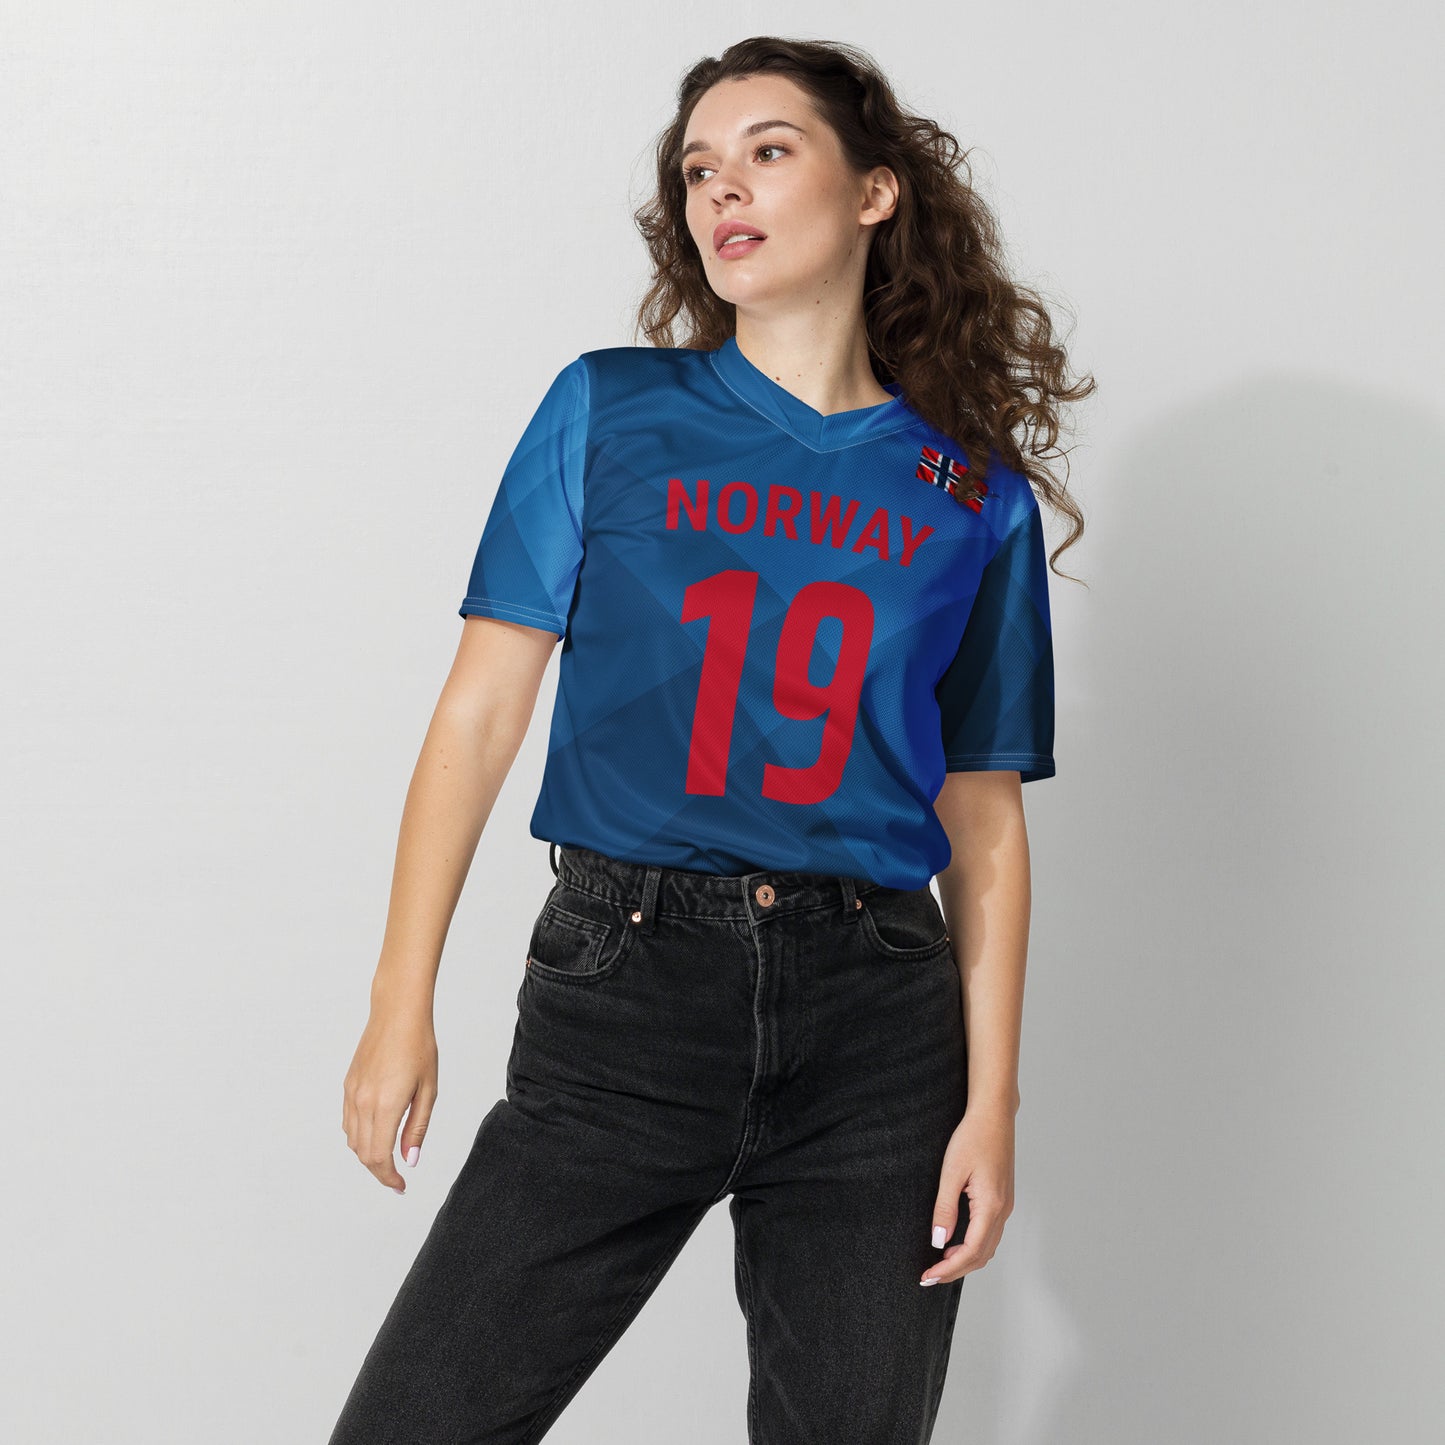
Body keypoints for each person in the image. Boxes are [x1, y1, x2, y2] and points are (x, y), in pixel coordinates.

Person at [328, 34, 1091, 1445]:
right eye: (696, 169)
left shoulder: (966, 493)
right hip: (627, 985)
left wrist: (990, 1101)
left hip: (877, 1022)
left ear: (874, 192)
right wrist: (399, 995)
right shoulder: (610, 409)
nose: (720, 189)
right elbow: (480, 714)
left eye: (767, 151)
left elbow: (982, 815)